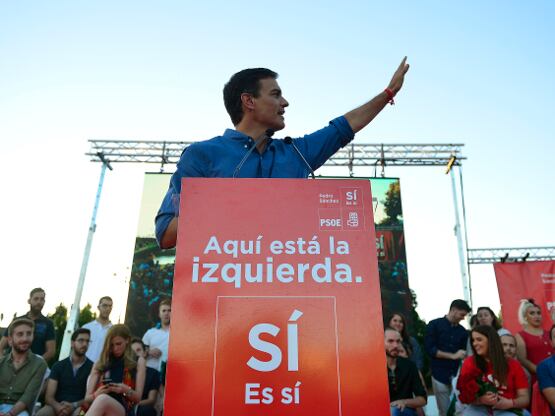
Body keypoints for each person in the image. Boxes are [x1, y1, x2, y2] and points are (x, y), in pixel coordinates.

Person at [155, 58, 410, 248]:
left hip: (289, 285)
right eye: (276, 95)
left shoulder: (296, 152)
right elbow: (166, 234)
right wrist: (227, 202)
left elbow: (343, 127)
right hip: (222, 291)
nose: (285, 103)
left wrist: (388, 94)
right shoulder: (201, 155)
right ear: (249, 101)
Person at [457, 325, 529, 415]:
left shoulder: (513, 364)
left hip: (507, 409)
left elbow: (525, 399)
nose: (474, 343)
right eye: (473, 340)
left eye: (479, 339)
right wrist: (480, 400)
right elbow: (464, 396)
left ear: (491, 341)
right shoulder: (469, 362)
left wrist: (510, 403)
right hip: (478, 408)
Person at [81, 325, 145, 416]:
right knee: (102, 399)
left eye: (118, 344)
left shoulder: (138, 361)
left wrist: (125, 390)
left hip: (123, 408)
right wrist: (96, 394)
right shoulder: (101, 362)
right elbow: (87, 398)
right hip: (99, 405)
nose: (115, 349)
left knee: (103, 399)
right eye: (111, 345)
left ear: (127, 340)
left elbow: (138, 398)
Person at [424, 299, 471, 416]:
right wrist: (453, 356)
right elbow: (430, 349)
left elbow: (463, 353)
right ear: (453, 310)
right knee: (444, 411)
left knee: (460, 410)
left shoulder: (463, 331)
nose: (463, 318)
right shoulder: (434, 325)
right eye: (462, 314)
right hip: (438, 373)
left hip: (457, 375)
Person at [37, 328, 93, 416]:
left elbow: (90, 397)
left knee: (80, 414)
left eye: (87, 341)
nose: (85, 344)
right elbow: (49, 397)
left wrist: (73, 405)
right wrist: (58, 407)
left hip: (79, 406)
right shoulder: (58, 366)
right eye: (81, 340)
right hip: (57, 405)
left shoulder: (93, 368)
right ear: (72, 343)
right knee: (42, 414)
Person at [0, 318, 48, 416]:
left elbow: (28, 396)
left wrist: (10, 414)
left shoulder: (39, 364)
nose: (25, 339)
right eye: (20, 334)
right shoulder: (1, 362)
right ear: (10, 340)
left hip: (19, 410)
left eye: (29, 334)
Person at [0, 288, 56, 363]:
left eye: (42, 299)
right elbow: (1, 346)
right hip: (12, 365)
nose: (39, 302)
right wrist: (3, 363)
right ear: (29, 301)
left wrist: (34, 365)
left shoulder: (48, 324)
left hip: (34, 367)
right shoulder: (17, 321)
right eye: (36, 299)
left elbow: (50, 352)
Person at [385, 328, 427, 416]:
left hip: (406, 411)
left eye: (398, 341)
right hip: (382, 411)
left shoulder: (409, 366)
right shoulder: (375, 369)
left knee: (394, 411)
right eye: (390, 341)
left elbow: (423, 399)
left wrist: (404, 402)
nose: (395, 345)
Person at [514, 299, 554, 383]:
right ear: (525, 316)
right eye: (532, 313)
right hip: (537, 378)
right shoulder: (520, 335)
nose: (536, 316)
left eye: (538, 313)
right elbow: (522, 359)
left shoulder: (550, 333)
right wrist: (541, 371)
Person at [130, 339, 159, 416]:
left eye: (138, 350)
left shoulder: (153, 373)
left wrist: (134, 405)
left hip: (141, 407)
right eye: (132, 352)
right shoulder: (125, 371)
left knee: (148, 410)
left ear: (145, 352)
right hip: (123, 405)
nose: (136, 354)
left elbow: (151, 399)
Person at [82, 297, 113, 363]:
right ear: (98, 307)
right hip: (85, 366)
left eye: (110, 306)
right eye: (105, 305)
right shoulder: (86, 327)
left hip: (104, 367)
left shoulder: (113, 330)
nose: (108, 309)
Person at [142, 299, 170, 372]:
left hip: (169, 373)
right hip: (150, 371)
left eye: (169, 310)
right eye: (164, 311)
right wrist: (149, 352)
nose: (166, 313)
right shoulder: (150, 332)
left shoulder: (178, 334)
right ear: (159, 314)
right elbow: (139, 352)